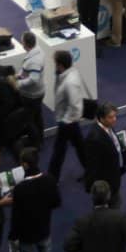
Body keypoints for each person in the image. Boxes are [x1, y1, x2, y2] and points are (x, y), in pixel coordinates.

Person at [9, 146, 62, 252]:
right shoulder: (50, 180)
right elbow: (56, 202)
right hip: (44, 228)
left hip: (26, 234)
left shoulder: (20, 189)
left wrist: (12, 237)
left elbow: (16, 217)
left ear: (24, 165)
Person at [48, 50, 89, 181]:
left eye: (55, 63)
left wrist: (65, 121)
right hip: (69, 120)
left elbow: (75, 106)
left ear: (60, 65)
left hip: (67, 121)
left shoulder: (69, 82)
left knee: (59, 151)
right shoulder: (67, 74)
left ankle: (52, 179)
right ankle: (91, 170)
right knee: (80, 146)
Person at [79, 102, 126, 204]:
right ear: (101, 118)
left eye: (115, 116)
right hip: (106, 181)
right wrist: (92, 187)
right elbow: (92, 165)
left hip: (114, 174)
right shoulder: (94, 139)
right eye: (111, 117)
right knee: (111, 205)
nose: (114, 119)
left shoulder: (108, 126)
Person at [14, 31, 47, 153]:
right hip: (38, 92)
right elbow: (27, 71)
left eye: (22, 41)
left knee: (29, 120)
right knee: (37, 117)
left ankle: (35, 143)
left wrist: (18, 84)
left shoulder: (34, 60)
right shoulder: (38, 51)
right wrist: (19, 75)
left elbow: (33, 78)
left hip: (32, 95)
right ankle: (40, 139)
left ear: (26, 44)